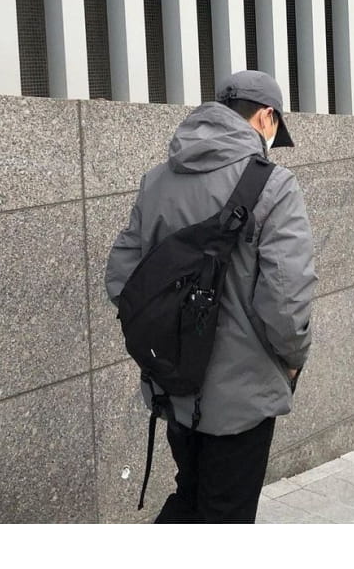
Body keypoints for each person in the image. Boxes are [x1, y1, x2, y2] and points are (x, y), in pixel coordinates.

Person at [105, 69, 317, 523]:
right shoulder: (274, 185)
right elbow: (285, 300)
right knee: (225, 514)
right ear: (266, 116)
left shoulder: (157, 180)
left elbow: (122, 276)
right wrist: (294, 357)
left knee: (190, 496)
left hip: (174, 383)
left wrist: (166, 337)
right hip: (242, 397)